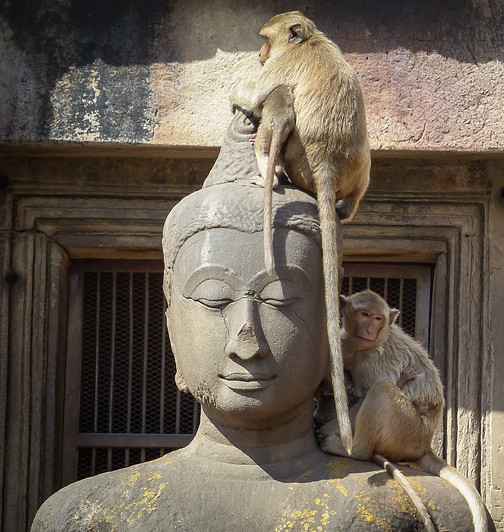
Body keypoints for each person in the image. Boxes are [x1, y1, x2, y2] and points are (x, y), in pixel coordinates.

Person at [32, 177, 478, 531]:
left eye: (281, 302)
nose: (246, 343)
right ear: (169, 328)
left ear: (328, 325)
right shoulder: (82, 516)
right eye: (213, 300)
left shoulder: (431, 512)